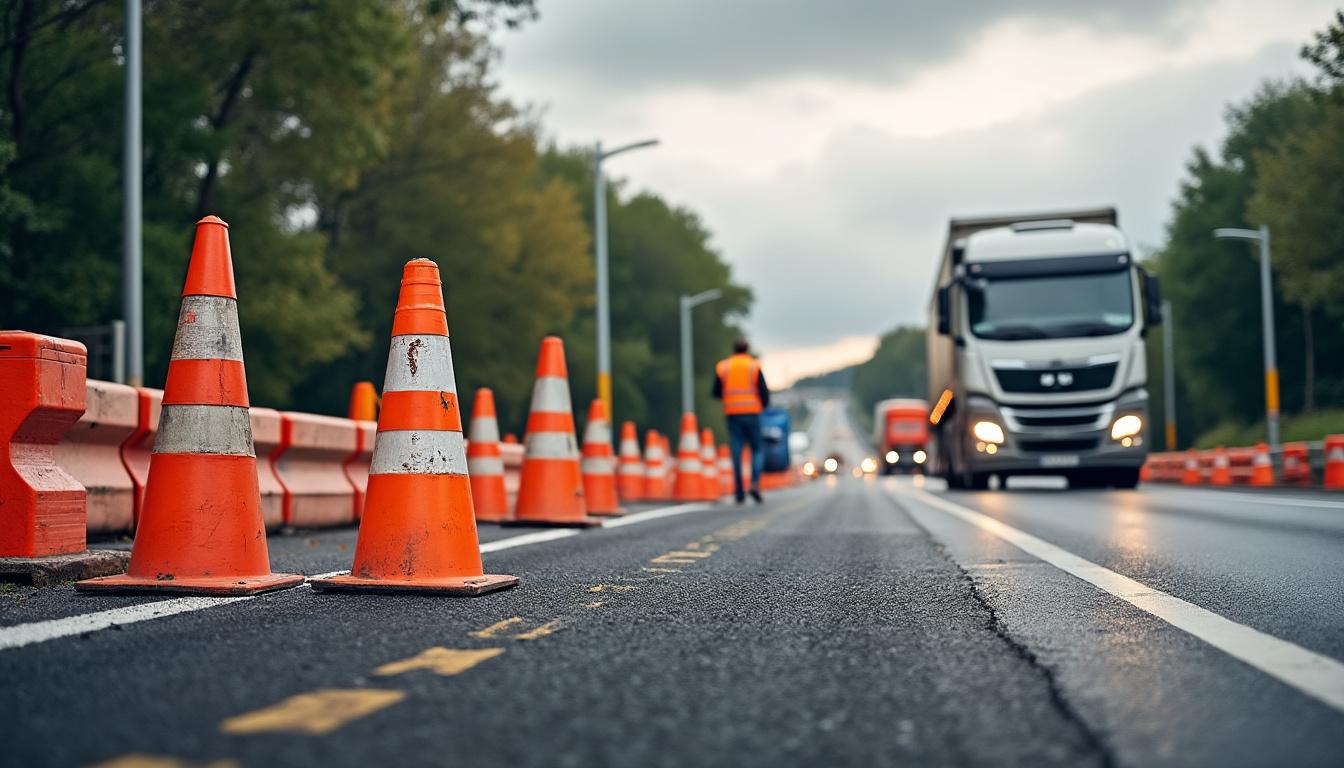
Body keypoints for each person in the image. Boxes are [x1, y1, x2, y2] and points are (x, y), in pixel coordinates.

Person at [713, 338, 770, 504]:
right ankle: (754, 483)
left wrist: (728, 397)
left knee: (736, 451)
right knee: (757, 450)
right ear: (747, 349)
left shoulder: (723, 367)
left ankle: (738, 491)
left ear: (734, 349)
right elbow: (764, 391)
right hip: (752, 413)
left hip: (733, 414)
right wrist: (763, 406)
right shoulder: (754, 365)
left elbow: (716, 392)